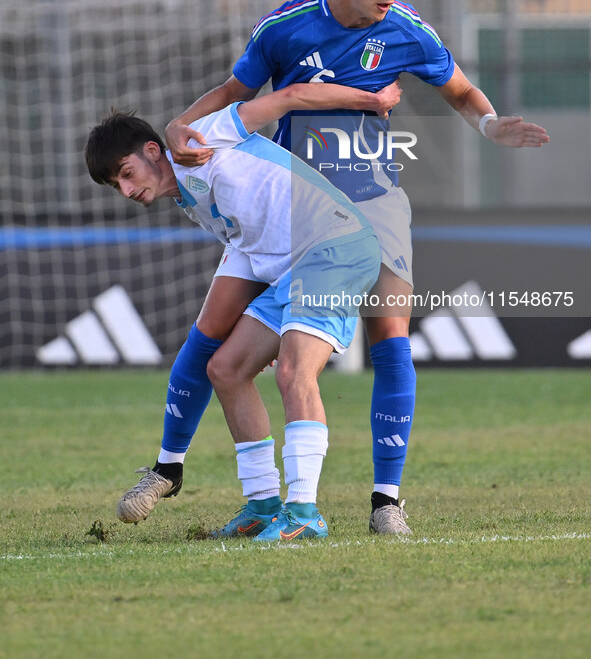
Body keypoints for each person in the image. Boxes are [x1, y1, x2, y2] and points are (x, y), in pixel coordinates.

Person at [162, 0, 550, 536]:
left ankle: (385, 502)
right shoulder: (285, 29)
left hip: (373, 206)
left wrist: (489, 123)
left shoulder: (407, 29)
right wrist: (183, 123)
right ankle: (177, 467)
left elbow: (457, 88)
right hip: (291, 213)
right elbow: (234, 95)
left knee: (388, 336)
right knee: (221, 345)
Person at [85, 79, 401, 540]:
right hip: (291, 270)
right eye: (116, 185)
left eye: (126, 172)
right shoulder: (189, 199)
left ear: (153, 150)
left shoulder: (205, 135)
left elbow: (288, 98)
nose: (126, 189)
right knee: (226, 368)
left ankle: (304, 513)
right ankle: (262, 505)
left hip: (335, 247)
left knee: (294, 372)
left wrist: (370, 100)